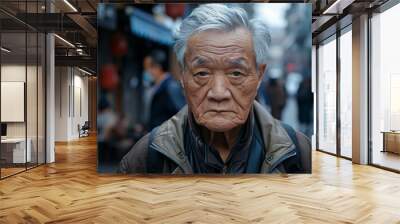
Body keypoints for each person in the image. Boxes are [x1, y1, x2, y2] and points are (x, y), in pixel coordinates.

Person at [119, 4, 311, 174]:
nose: (219, 93)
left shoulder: (297, 152)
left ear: (259, 76)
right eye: (202, 73)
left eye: (236, 74)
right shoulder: (148, 156)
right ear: (183, 77)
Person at [143, 50, 186, 130]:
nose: (146, 71)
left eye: (147, 67)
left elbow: (182, 115)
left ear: (157, 67)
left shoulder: (171, 87)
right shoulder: (158, 87)